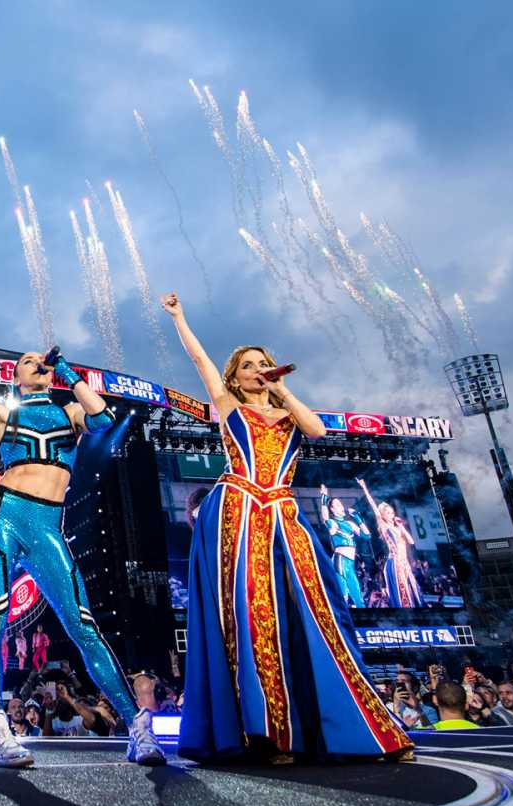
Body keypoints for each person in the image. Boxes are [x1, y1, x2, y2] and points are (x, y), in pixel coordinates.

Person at [160, 292, 412, 764]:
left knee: (318, 615)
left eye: (263, 363)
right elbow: (199, 360)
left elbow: (316, 430)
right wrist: (180, 318)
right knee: (252, 617)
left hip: (282, 511)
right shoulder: (228, 407)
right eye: (248, 365)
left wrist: (284, 391)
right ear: (235, 376)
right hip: (238, 510)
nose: (256, 369)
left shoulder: (290, 414)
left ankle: (353, 729)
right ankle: (268, 733)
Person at [0, 300, 143, 769]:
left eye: (40, 361)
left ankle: (136, 724)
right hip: (4, 515)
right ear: (18, 377)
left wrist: (69, 369)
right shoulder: (2, 413)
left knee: (82, 625)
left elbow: (105, 420)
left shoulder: (69, 411)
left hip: (48, 525)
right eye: (29, 362)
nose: (37, 364)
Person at [356, 478, 423, 608]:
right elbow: (374, 507)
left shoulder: (397, 527)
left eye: (391, 512)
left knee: (412, 592)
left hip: (404, 564)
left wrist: (401, 526)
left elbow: (411, 541)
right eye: (387, 512)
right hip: (395, 563)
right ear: (383, 515)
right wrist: (364, 488)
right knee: (402, 595)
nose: (390, 514)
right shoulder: (385, 526)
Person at [318, 484, 372, 610]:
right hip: (340, 560)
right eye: (336, 505)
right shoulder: (333, 522)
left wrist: (358, 518)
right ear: (332, 509)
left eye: (340, 504)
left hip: (350, 564)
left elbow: (367, 535)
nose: (340, 506)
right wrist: (324, 498)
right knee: (343, 595)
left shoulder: (349, 523)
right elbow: (325, 518)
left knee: (358, 598)